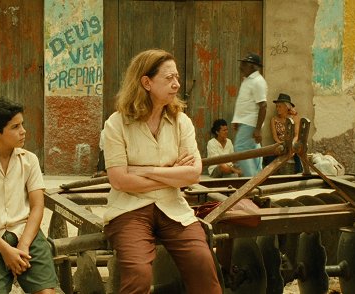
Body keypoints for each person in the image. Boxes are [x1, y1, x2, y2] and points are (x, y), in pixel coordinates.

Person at [102, 49, 222, 294]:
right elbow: (119, 180)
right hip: (129, 210)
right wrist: (170, 174)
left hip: (173, 207)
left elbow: (193, 174)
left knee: (203, 264)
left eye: (177, 77)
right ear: (146, 82)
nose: (177, 84)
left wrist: (144, 170)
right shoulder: (116, 124)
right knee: (139, 275)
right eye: (169, 78)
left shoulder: (181, 121)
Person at [0, 98, 58, 294]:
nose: (23, 130)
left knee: (47, 293)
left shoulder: (30, 161)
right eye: (15, 127)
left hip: (26, 234)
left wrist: (22, 246)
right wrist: (6, 251)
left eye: (22, 124)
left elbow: (37, 207)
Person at [232, 52, 268, 177]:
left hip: (250, 122)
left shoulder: (258, 81)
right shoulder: (248, 80)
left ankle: (250, 180)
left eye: (244, 64)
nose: (241, 66)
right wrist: (237, 120)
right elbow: (245, 102)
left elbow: (263, 106)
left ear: (253, 66)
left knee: (241, 148)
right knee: (252, 152)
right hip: (245, 122)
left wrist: (258, 129)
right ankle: (257, 179)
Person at [265, 93, 303, 173]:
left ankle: (299, 174)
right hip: (281, 144)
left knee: (296, 153)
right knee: (269, 157)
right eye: (276, 107)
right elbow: (275, 137)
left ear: (287, 107)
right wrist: (282, 144)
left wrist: (291, 144)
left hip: (293, 144)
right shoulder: (274, 119)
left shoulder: (295, 118)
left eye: (280, 106)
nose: (277, 109)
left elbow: (296, 135)